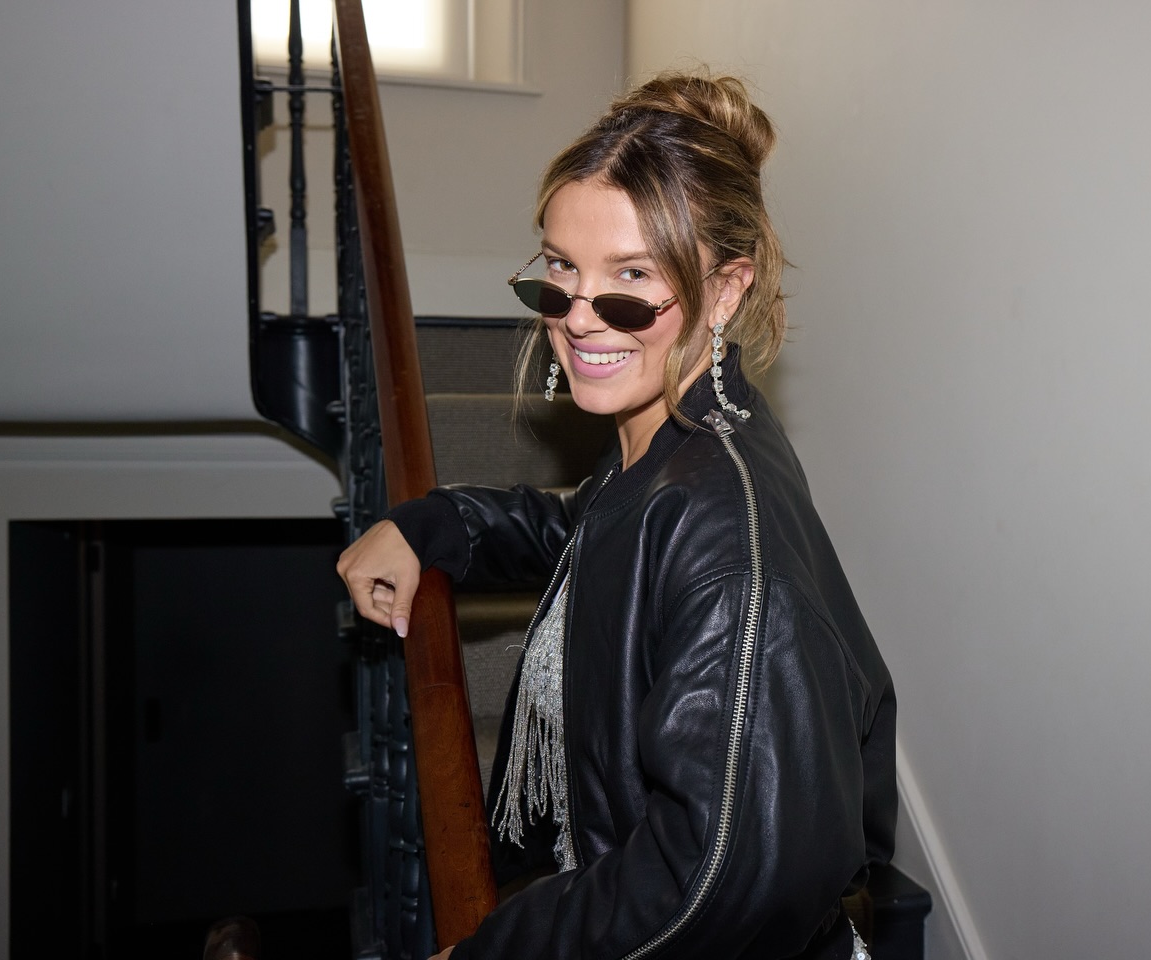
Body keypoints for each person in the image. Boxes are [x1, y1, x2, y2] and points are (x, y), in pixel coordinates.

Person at [337, 71, 896, 960]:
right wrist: (432, 525)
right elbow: (590, 535)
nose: (580, 321)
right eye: (561, 271)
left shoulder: (727, 536)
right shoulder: (672, 434)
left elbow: (710, 883)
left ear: (723, 292)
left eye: (631, 280)